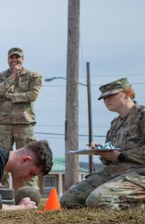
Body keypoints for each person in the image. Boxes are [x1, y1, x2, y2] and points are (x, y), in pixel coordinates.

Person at [60, 78, 145, 210]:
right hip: (114, 172)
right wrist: (102, 152)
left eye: (111, 95)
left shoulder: (142, 116)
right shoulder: (115, 123)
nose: (106, 100)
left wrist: (121, 156)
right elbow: (110, 159)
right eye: (104, 97)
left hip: (139, 174)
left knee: (98, 200)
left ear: (128, 93)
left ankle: (139, 207)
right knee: (69, 200)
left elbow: (120, 155)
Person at [0, 47, 42, 190]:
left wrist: (12, 97)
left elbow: (32, 95)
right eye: (11, 58)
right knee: (0, 157)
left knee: (30, 158)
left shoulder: (33, 76)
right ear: (8, 60)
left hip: (25, 123)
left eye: (17, 57)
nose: (14, 60)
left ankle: (30, 192)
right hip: (4, 123)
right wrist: (13, 76)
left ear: (22, 59)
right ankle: (0, 192)